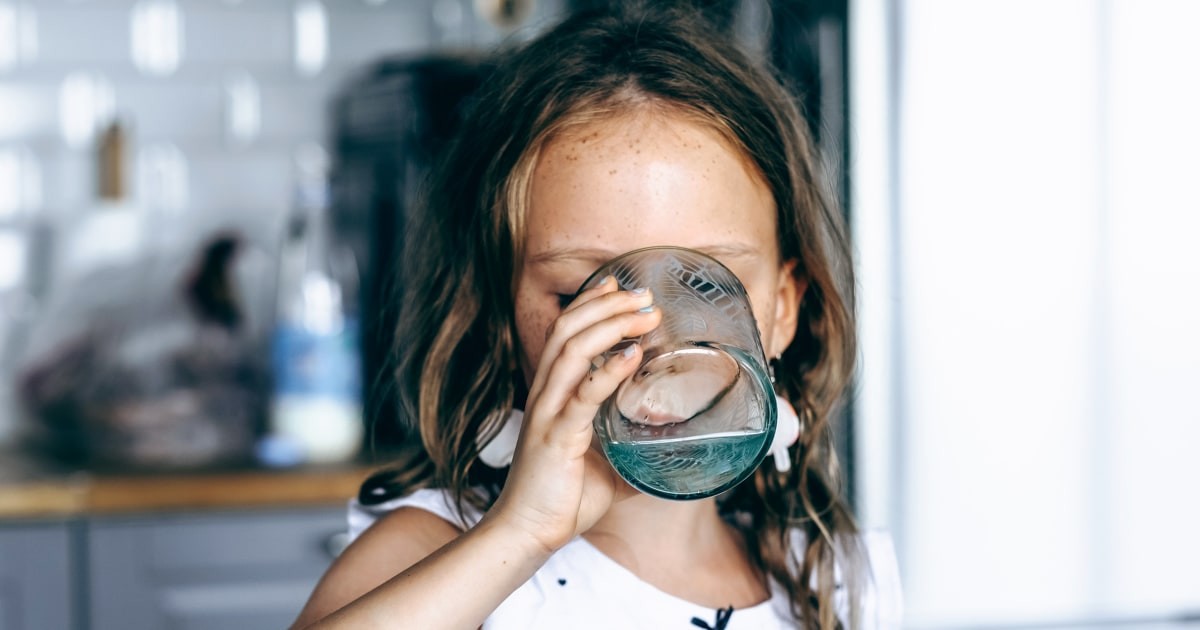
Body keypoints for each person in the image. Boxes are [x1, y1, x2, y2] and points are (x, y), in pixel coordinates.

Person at [293, 5, 901, 629]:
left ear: (782, 310)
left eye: (704, 285)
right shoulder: (438, 555)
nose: (653, 344)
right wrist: (522, 532)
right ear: (501, 315)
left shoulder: (830, 582)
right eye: (583, 297)